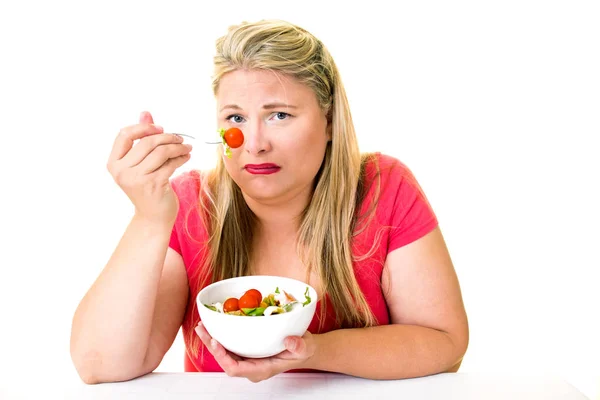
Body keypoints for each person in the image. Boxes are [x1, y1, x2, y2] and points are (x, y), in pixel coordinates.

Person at [70, 19, 469, 384]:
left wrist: (312, 351)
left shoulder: (385, 187)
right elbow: (99, 364)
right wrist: (148, 218)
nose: (256, 146)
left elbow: (445, 343)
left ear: (329, 121)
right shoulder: (190, 203)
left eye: (279, 115)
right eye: (236, 119)